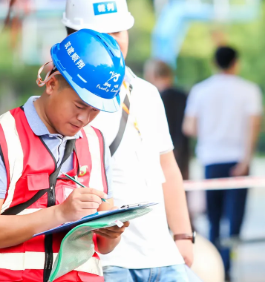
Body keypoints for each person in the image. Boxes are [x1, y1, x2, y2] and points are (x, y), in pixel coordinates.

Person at [0, 29, 128, 281]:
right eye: (79, 106)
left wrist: (112, 232)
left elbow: (103, 247)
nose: (84, 118)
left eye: (95, 111)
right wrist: (60, 214)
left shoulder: (96, 142)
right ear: (51, 84)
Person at [62, 1, 195, 281]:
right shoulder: (65, 100)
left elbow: (167, 167)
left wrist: (183, 234)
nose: (114, 42)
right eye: (102, 35)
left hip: (164, 255)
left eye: (119, 32)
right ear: (73, 36)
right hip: (108, 262)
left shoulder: (146, 93)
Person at [183, 46, 263, 280]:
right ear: (235, 63)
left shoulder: (200, 90)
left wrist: (210, 133)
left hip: (211, 159)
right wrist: (246, 159)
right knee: (235, 217)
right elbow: (254, 126)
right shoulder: (249, 90)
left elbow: (189, 127)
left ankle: (217, 266)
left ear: (214, 63)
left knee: (214, 219)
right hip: (239, 160)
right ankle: (228, 264)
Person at [144, 58, 190, 181]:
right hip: (183, 154)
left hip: (161, 156)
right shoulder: (184, 96)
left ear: (153, 75)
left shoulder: (153, 99)